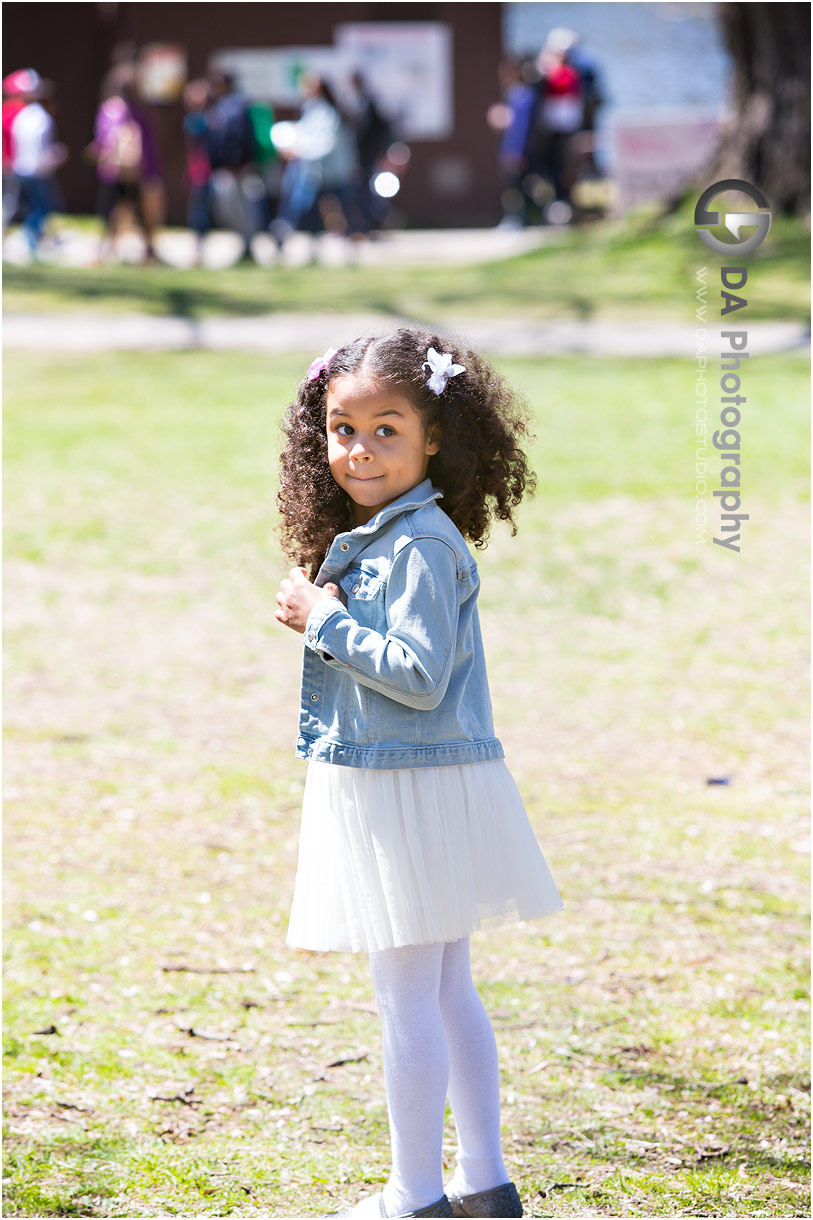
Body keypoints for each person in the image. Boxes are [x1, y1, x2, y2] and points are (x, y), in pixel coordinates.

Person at [275, 326, 564, 1219]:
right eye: (341, 429)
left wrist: (322, 618)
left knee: (407, 994)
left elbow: (417, 672)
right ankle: (481, 1180)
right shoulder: (398, 532)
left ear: (434, 434)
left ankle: (415, 1192)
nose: (359, 451)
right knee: (443, 988)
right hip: (419, 781)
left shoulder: (417, 545)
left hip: (405, 784)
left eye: (386, 429)